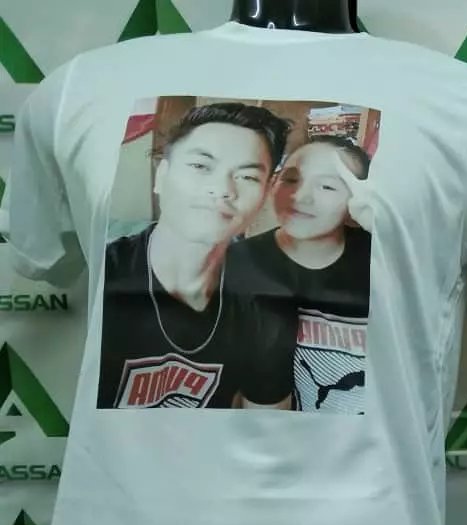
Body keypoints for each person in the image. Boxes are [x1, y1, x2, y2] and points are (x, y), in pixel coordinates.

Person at [97, 102, 298, 410]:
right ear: (162, 176)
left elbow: (266, 425)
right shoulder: (99, 279)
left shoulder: (267, 304)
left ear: (266, 192)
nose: (222, 189)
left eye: (247, 177)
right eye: (201, 166)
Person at [230, 136, 372, 414]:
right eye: (291, 179)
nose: (300, 196)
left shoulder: (383, 258)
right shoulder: (236, 263)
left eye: (327, 186)